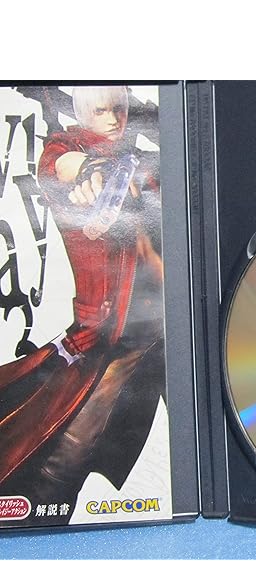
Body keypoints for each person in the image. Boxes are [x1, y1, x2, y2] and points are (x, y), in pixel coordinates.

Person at [0, 86, 165, 525]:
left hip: (159, 330)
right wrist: (92, 171)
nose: (113, 119)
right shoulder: (64, 148)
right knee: (69, 446)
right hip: (110, 335)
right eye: (101, 110)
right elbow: (63, 164)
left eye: (119, 109)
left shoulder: (142, 163)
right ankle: (40, 520)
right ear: (81, 112)